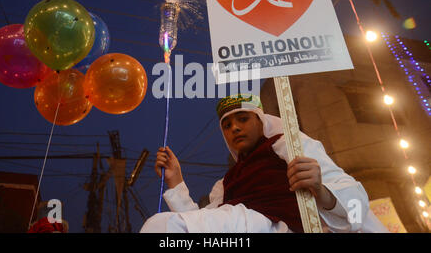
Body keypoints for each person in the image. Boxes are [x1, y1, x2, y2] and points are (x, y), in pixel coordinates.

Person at [140, 94, 387, 233]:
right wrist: (176, 181)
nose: (234, 127)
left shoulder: (290, 146)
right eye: (226, 125)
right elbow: (202, 227)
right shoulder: (225, 184)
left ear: (261, 122)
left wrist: (322, 192)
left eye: (243, 118)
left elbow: (356, 204)